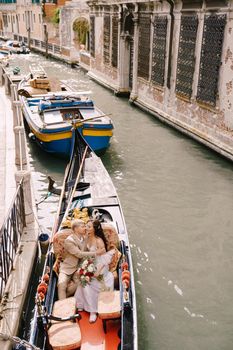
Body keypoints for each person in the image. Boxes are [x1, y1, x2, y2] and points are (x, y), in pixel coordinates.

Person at [74, 219, 115, 323]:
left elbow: (104, 256)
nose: (86, 228)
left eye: (89, 227)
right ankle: (83, 305)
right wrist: (85, 265)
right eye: (86, 226)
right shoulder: (87, 238)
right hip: (92, 263)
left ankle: (93, 311)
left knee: (88, 281)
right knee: (84, 281)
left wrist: (97, 270)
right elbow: (84, 252)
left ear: (94, 229)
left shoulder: (98, 240)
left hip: (101, 265)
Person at [57, 219, 104, 300]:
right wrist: (96, 253)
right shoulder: (69, 241)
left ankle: (65, 301)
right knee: (61, 284)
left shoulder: (85, 237)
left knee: (81, 283)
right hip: (67, 268)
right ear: (76, 229)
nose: (85, 228)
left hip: (79, 268)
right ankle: (63, 306)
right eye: (83, 227)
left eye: (86, 226)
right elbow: (79, 254)